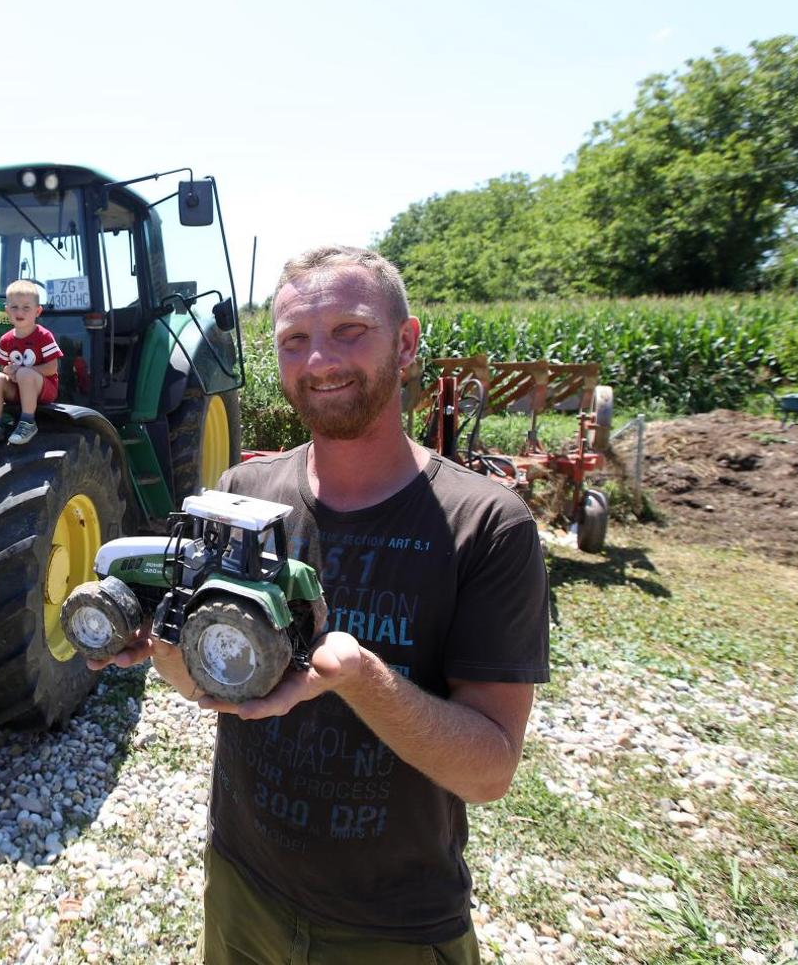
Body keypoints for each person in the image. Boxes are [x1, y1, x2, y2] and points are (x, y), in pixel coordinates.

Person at [94, 246, 550, 963]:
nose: (319, 362)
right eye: (294, 342)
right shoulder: (244, 495)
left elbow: (488, 771)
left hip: (392, 927)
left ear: (405, 343)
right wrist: (162, 639)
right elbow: (204, 688)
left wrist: (363, 680)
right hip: (243, 890)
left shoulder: (484, 525)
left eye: (348, 330)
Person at [0, 279, 63, 446]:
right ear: (7, 310)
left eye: (26, 308)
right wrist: (10, 372)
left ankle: (28, 422)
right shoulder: (6, 339)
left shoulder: (43, 336)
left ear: (37, 311)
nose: (19, 312)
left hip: (44, 389)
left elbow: (52, 368)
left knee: (24, 372)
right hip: (18, 388)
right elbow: (3, 368)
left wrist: (22, 371)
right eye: (14, 307)